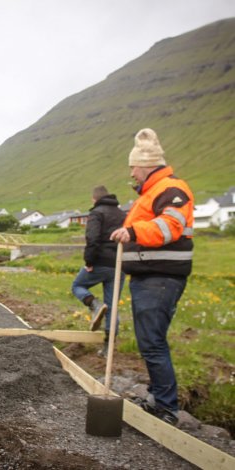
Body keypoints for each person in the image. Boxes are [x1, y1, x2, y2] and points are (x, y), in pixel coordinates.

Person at [111, 128, 194, 426]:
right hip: (150, 277)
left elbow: (170, 226)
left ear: (145, 166)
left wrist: (132, 232)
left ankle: (166, 408)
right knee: (150, 340)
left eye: (133, 167)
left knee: (152, 342)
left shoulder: (172, 189)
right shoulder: (150, 193)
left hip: (161, 278)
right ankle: (159, 397)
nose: (131, 172)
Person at [71, 185, 126, 356]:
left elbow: (92, 238)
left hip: (100, 262)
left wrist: (89, 261)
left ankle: (94, 304)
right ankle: (107, 348)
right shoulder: (122, 214)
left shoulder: (96, 213)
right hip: (119, 264)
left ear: (94, 199)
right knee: (112, 307)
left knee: (77, 286)